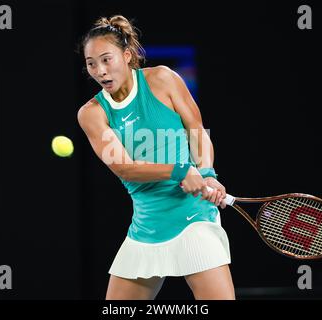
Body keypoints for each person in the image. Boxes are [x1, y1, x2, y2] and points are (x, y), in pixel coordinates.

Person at [77, 15, 235, 300]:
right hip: (146, 227)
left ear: (126, 55)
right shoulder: (92, 113)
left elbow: (196, 131)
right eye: (91, 63)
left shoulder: (163, 79)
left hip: (194, 217)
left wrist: (207, 174)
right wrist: (180, 171)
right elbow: (124, 167)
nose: (100, 71)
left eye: (106, 59)